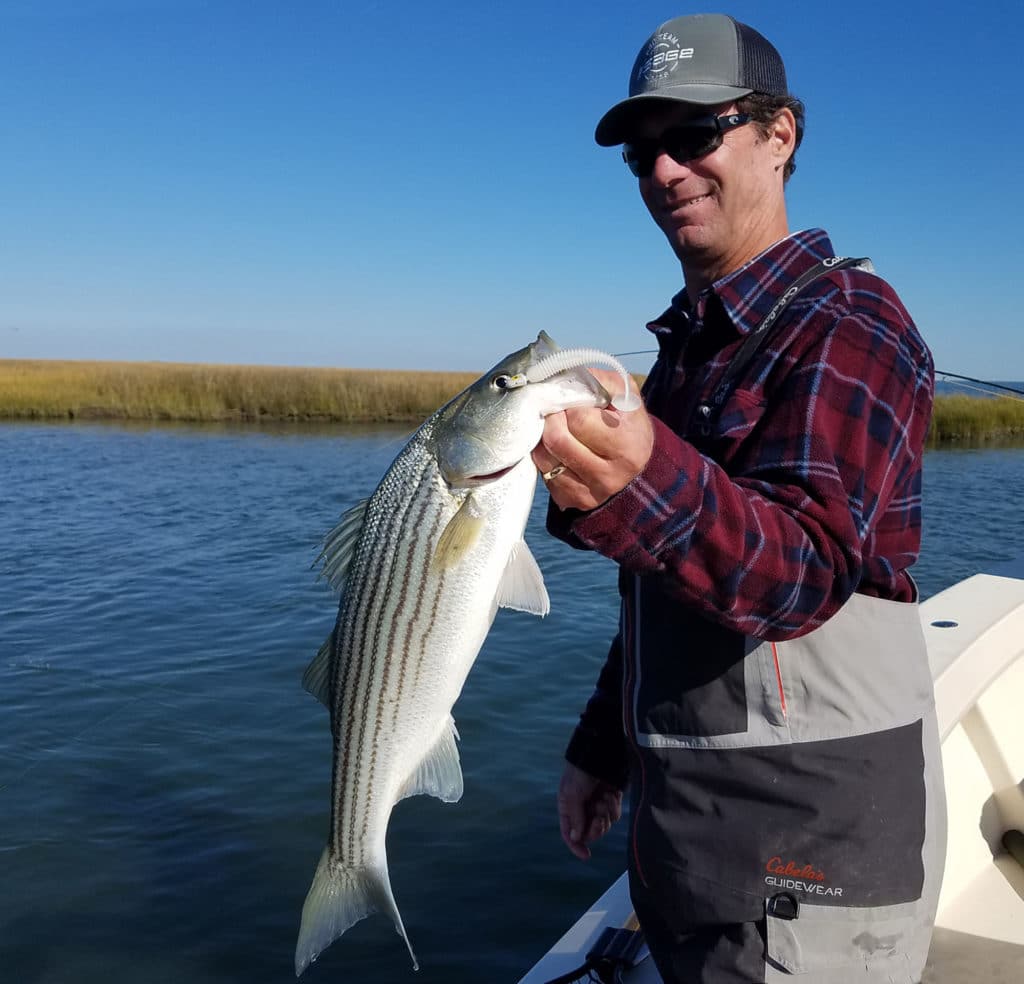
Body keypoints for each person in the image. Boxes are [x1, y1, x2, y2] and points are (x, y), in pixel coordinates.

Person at [531, 13, 944, 984]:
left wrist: (640, 478)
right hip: (687, 845)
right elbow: (662, 583)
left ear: (779, 135)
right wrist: (603, 747)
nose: (664, 171)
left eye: (693, 135)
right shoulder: (691, 349)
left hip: (809, 872)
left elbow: (797, 574)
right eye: (643, 152)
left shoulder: (851, 326)